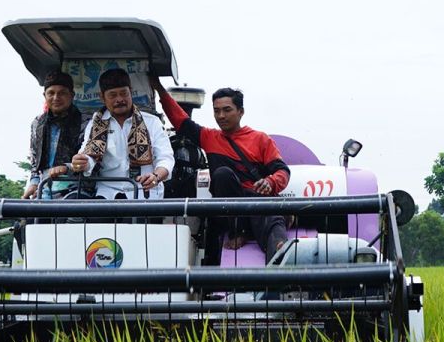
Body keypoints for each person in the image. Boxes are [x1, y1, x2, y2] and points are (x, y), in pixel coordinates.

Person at [151, 78, 290, 264]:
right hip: (228, 213)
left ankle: (281, 279)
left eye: (227, 110)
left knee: (275, 228)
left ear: (241, 112)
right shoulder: (209, 137)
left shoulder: (261, 139)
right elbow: (180, 121)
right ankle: (236, 233)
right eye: (216, 111)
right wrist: (159, 89)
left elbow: (282, 171)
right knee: (222, 174)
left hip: (256, 203)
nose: (221, 116)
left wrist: (270, 182)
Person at [70, 69, 174, 199]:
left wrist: (156, 176)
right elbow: (88, 156)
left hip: (145, 193)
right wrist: (82, 162)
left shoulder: (152, 122)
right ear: (102, 97)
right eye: (113, 95)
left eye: (124, 93)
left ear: (130, 92)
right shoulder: (95, 124)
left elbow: (166, 158)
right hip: (107, 194)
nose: (119, 99)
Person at [23, 70, 89, 199]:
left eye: (62, 93)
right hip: (44, 187)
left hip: (77, 187)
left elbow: (92, 159)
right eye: (51, 93)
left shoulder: (87, 122)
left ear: (72, 95)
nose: (56, 98)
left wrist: (67, 168)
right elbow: (35, 161)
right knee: (28, 217)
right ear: (44, 96)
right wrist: (34, 183)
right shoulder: (37, 123)